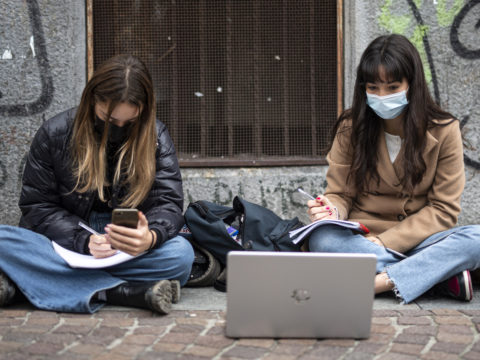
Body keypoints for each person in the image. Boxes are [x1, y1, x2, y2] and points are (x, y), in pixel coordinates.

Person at [0, 54, 194, 314]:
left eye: (130, 123)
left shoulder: (156, 136)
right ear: (91, 100)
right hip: (67, 237)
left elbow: (167, 203)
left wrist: (149, 238)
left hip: (126, 244)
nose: (118, 129)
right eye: (108, 120)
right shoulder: (54, 133)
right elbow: (38, 206)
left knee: (181, 256)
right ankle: (120, 292)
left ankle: (35, 279)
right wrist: (82, 241)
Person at [307, 34, 480, 304]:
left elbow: (444, 210)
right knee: (323, 239)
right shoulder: (350, 127)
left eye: (392, 87)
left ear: (412, 84)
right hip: (362, 236)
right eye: (373, 87)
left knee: (477, 239)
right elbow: (340, 193)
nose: (381, 96)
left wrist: (387, 243)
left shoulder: (444, 130)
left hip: (419, 239)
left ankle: (379, 282)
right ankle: (438, 275)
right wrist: (331, 210)